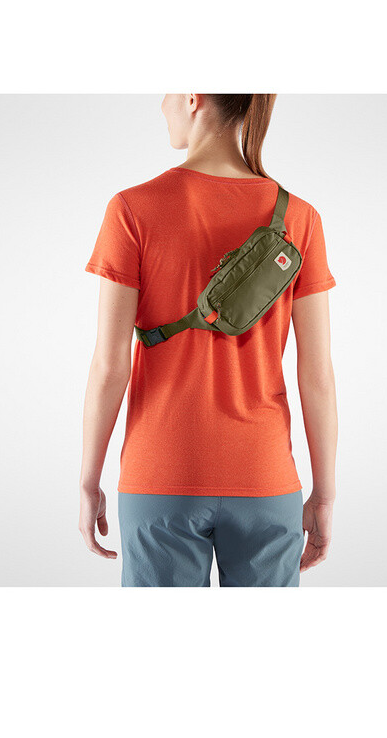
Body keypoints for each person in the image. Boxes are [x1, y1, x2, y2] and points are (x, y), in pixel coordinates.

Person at [79, 94, 338, 587]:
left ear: (193, 96)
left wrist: (89, 481)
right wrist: (324, 495)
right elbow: (317, 375)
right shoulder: (300, 218)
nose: (162, 105)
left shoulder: (132, 209)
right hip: (265, 477)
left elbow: (109, 367)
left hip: (161, 475)